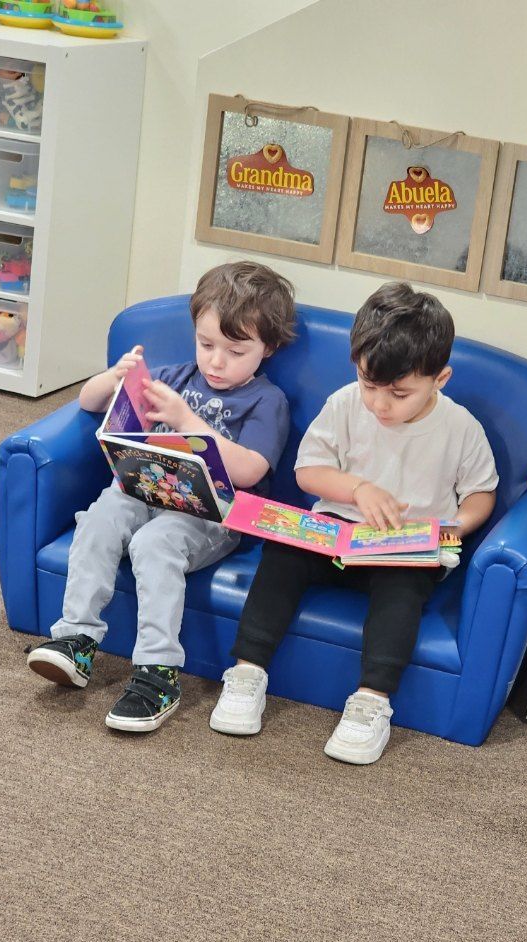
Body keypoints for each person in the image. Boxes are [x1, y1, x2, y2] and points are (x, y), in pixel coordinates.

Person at [209, 281, 498, 765]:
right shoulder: (345, 403)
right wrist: (358, 489)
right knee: (282, 554)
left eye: (399, 393)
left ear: (440, 379)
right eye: (369, 385)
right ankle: (246, 673)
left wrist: (456, 527)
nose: (380, 404)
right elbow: (309, 472)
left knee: (403, 590)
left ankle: (371, 702)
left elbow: (481, 493)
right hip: (336, 535)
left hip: (403, 551)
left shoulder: (460, 427)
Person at [26, 261, 295, 733]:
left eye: (235, 351)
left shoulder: (265, 400)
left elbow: (250, 470)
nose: (216, 362)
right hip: (145, 489)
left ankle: (158, 671)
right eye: (206, 344)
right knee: (99, 516)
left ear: (267, 348)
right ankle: (76, 639)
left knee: (153, 544)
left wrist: (187, 420)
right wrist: (114, 376)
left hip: (211, 514)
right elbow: (89, 401)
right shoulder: (175, 377)